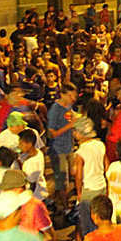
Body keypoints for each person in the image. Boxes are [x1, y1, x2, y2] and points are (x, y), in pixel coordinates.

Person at [73, 116, 107, 241]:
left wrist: (79, 193)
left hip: (88, 189)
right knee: (102, 220)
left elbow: (79, 176)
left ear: (80, 134)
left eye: (75, 131)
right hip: (102, 187)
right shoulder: (100, 145)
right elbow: (106, 166)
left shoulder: (81, 151)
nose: (74, 134)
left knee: (88, 224)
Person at [48, 82, 78, 212]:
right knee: (62, 181)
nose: (73, 98)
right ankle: (65, 209)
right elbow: (51, 133)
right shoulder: (54, 111)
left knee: (73, 174)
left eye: (74, 95)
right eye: (70, 95)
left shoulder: (69, 106)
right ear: (62, 95)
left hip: (69, 147)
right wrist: (69, 126)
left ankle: (57, 200)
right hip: (58, 150)